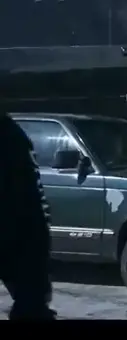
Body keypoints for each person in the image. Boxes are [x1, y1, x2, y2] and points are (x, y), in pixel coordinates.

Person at [0, 111, 56, 320]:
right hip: (22, 234)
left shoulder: (8, 133)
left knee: (31, 306)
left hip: (19, 233)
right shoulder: (11, 132)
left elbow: (31, 197)